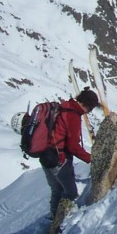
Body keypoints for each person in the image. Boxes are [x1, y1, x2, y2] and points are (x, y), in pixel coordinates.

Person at [42, 87, 100, 218]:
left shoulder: (65, 106)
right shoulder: (72, 115)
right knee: (71, 193)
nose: (89, 112)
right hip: (59, 159)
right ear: (86, 105)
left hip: (45, 156)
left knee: (56, 189)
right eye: (90, 109)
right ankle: (61, 221)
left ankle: (53, 216)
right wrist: (91, 158)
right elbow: (72, 146)